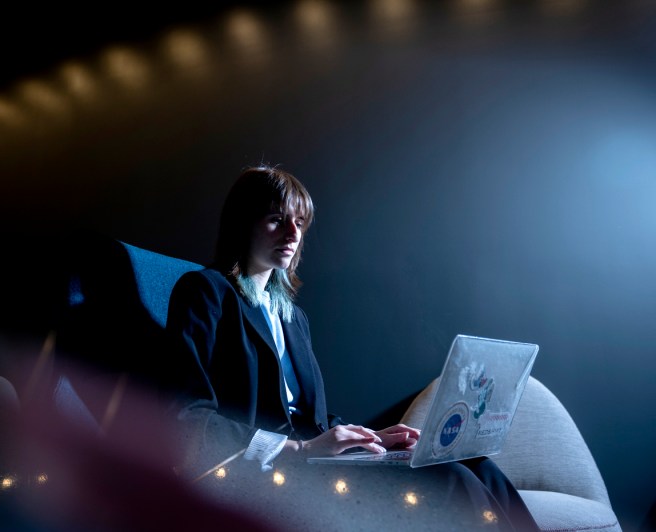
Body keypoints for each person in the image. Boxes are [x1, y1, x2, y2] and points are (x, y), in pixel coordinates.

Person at [165, 165, 539, 531]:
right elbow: (188, 419)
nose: (292, 232)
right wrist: (302, 451)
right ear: (243, 223)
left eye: (299, 222)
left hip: (313, 459)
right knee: (452, 478)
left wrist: (373, 440)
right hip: (269, 472)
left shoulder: (293, 317)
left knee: (480, 466)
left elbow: (315, 422)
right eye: (277, 219)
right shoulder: (205, 292)